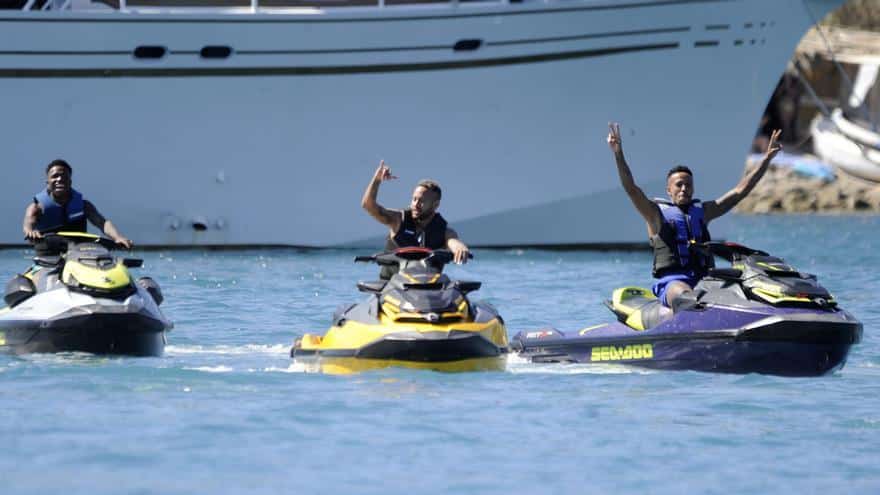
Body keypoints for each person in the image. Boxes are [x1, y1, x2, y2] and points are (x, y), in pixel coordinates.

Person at [606, 123, 782, 310]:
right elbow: (631, 189)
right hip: (673, 283)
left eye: (688, 185)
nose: (684, 189)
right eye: (679, 185)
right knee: (686, 294)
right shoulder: (655, 214)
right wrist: (618, 154)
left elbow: (739, 192)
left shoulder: (703, 212)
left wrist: (767, 159)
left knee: (744, 289)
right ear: (668, 190)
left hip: (706, 280)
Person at [361, 160, 470, 277]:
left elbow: (453, 242)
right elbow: (368, 206)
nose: (415, 204)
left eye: (421, 201)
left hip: (428, 287)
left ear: (435, 205)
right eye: (414, 199)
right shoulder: (398, 220)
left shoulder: (444, 231)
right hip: (391, 286)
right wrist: (377, 179)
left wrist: (460, 248)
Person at [22, 159, 133, 249]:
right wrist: (31, 232)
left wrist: (117, 237)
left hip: (78, 253)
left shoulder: (84, 205)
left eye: (64, 176)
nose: (59, 179)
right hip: (48, 254)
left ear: (70, 181)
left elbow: (102, 223)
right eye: (54, 176)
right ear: (48, 182)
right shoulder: (36, 208)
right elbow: (28, 224)